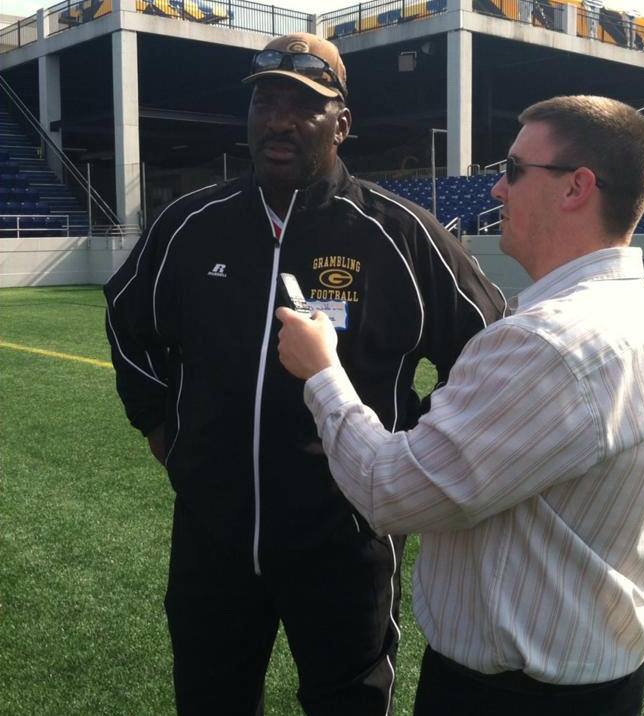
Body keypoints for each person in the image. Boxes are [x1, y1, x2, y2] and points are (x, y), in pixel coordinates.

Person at [104, 31, 505, 716]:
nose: (279, 121)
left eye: (303, 105)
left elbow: (489, 350)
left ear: (342, 124)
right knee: (209, 700)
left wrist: (414, 449)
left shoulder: (400, 233)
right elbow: (126, 320)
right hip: (212, 535)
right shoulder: (189, 226)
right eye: (265, 103)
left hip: (346, 541)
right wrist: (159, 425)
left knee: (348, 703)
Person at [276, 95, 644, 715]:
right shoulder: (634, 314)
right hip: (594, 677)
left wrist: (322, 372)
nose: (497, 189)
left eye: (515, 170)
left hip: (511, 695)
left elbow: (388, 491)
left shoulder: (548, 341)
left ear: (577, 187)